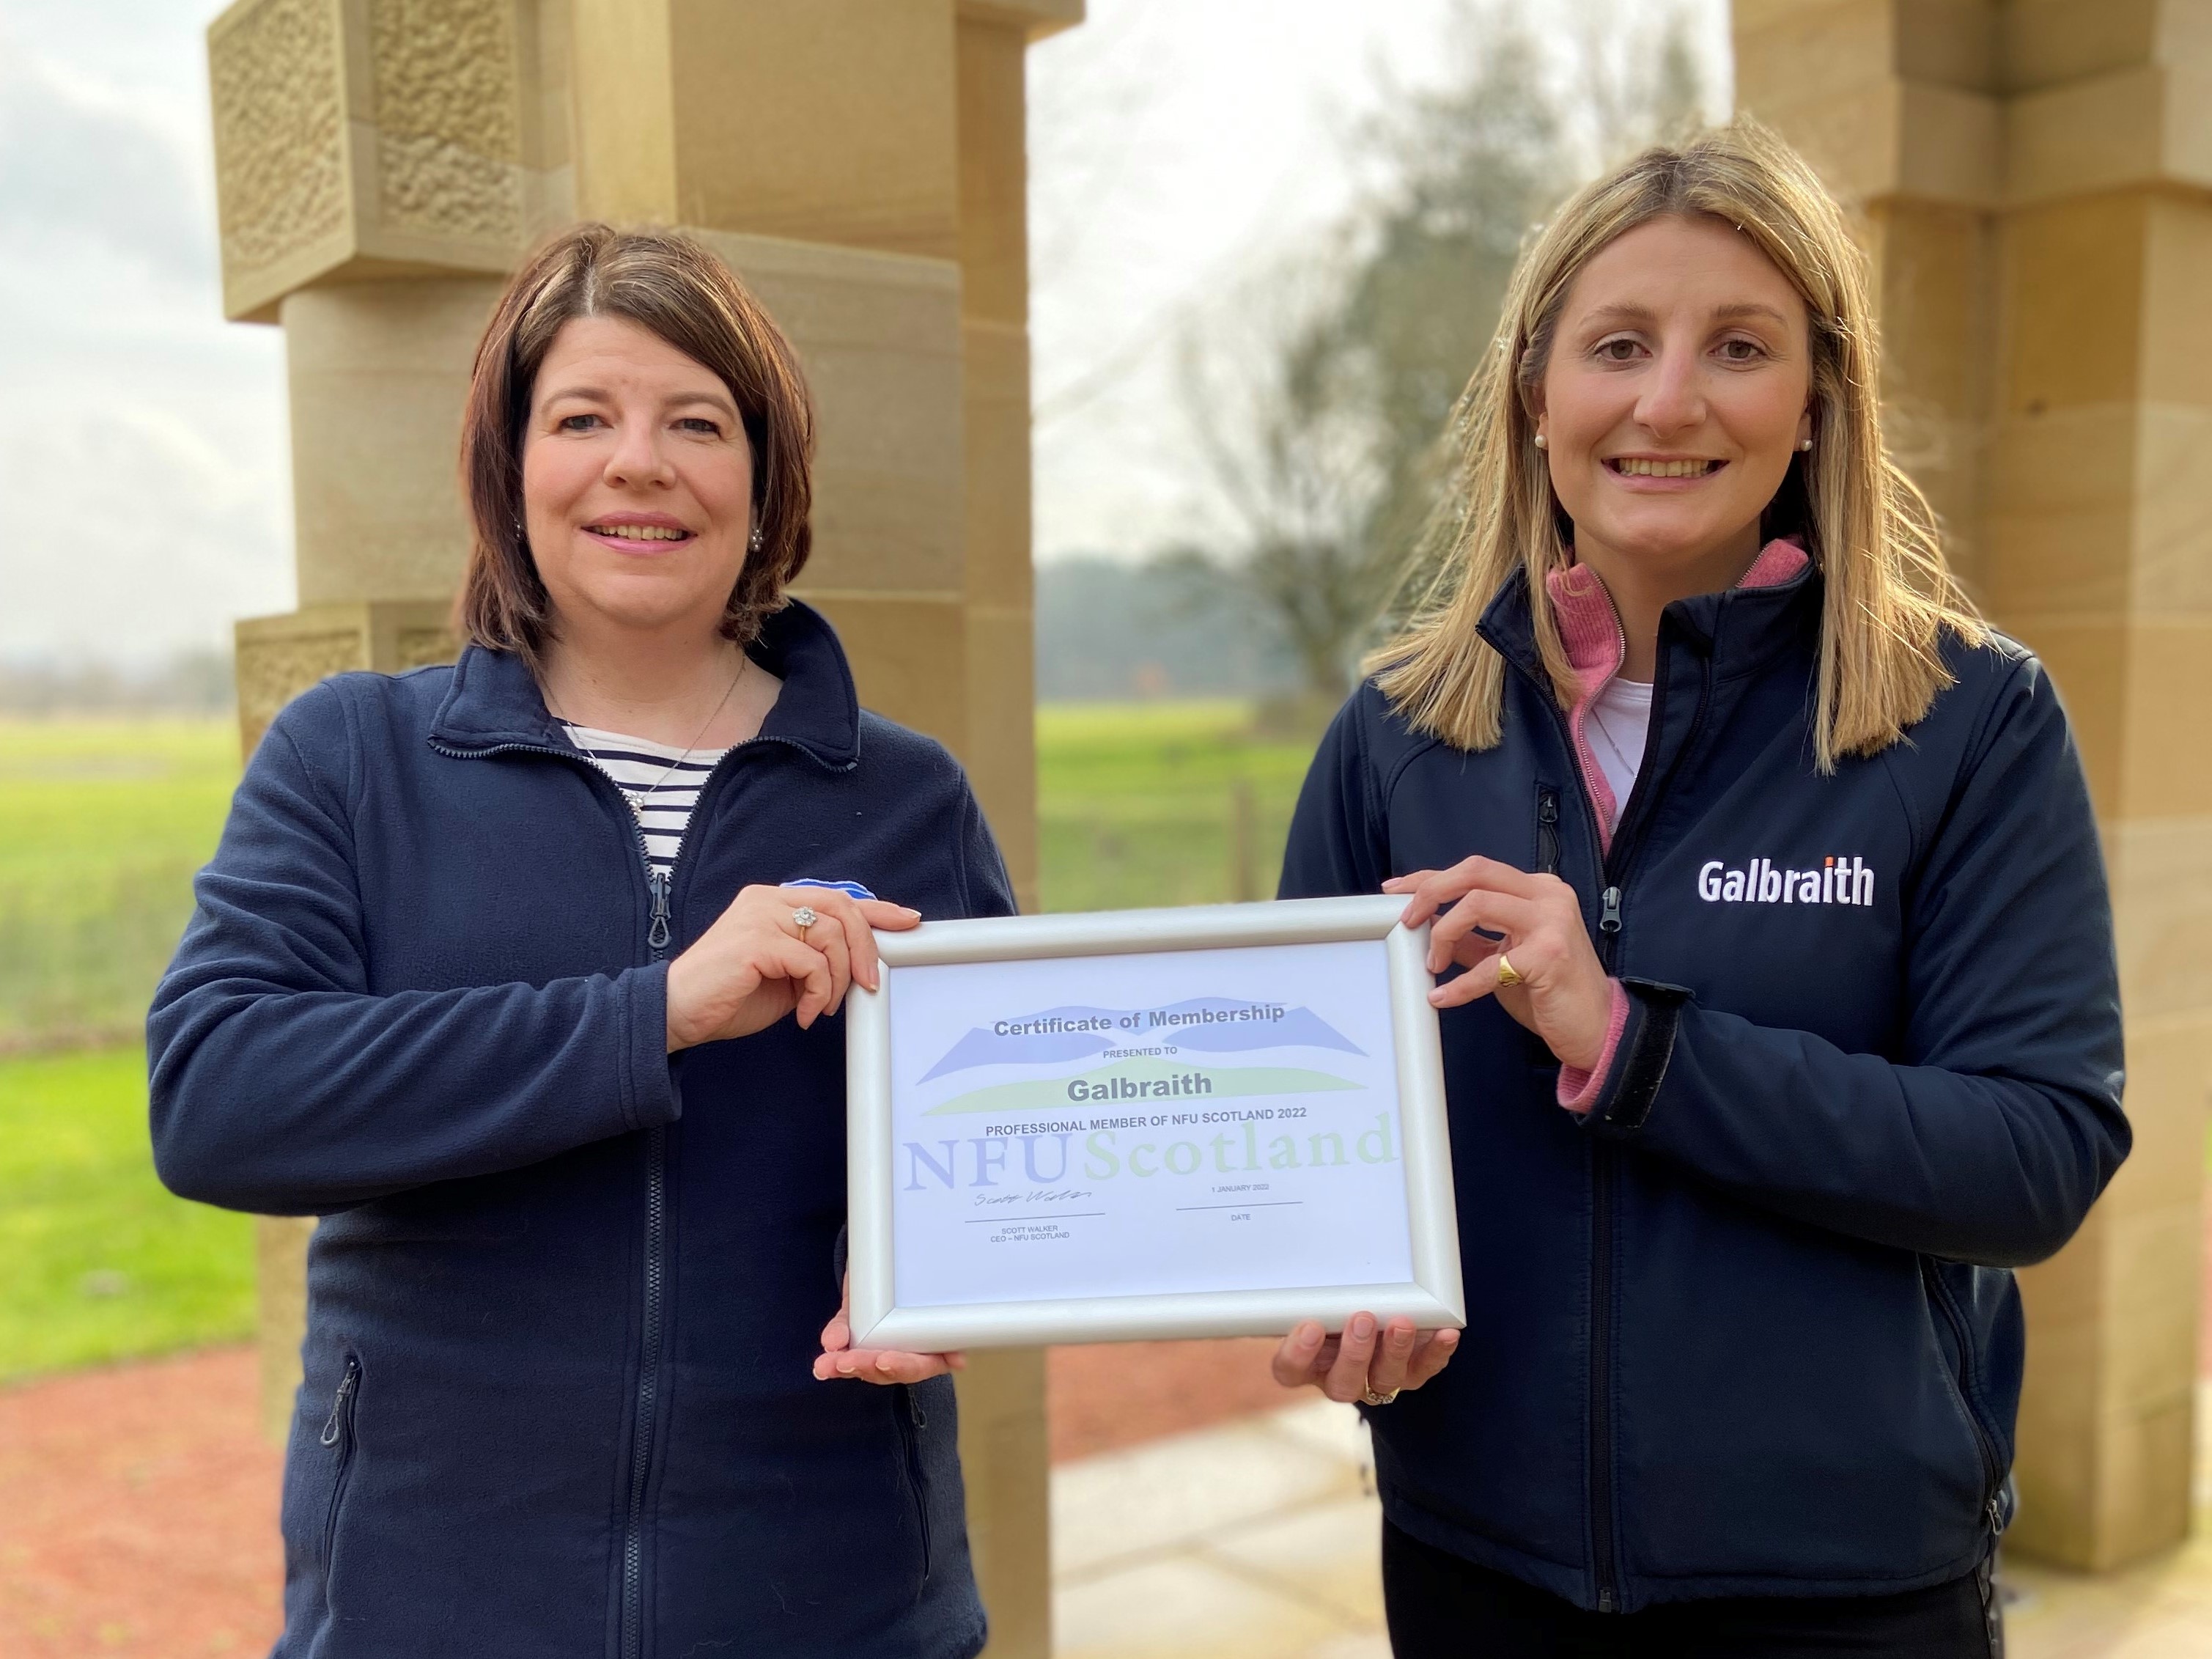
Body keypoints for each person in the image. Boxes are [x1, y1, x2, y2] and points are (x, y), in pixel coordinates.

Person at [1272, 120, 2127, 1658]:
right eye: (1617, 345)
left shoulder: (1969, 721)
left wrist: (1634, 1045)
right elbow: (1306, 1135)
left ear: (1815, 401)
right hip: (1477, 1569)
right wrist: (1343, 1307)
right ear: (1537, 393)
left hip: (1847, 1588)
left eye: (1738, 346)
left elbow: (2037, 1151)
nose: (1667, 402)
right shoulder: (1397, 735)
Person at [149, 224, 1004, 1659]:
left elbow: (993, 1118)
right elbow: (218, 1098)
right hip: (434, 1605)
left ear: (764, 474)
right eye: (584, 418)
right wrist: (651, 1012)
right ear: (512, 468)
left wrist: (945, 1256)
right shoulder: (352, 758)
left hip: (833, 1601)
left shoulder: (906, 793)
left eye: (697, 423)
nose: (640, 462)